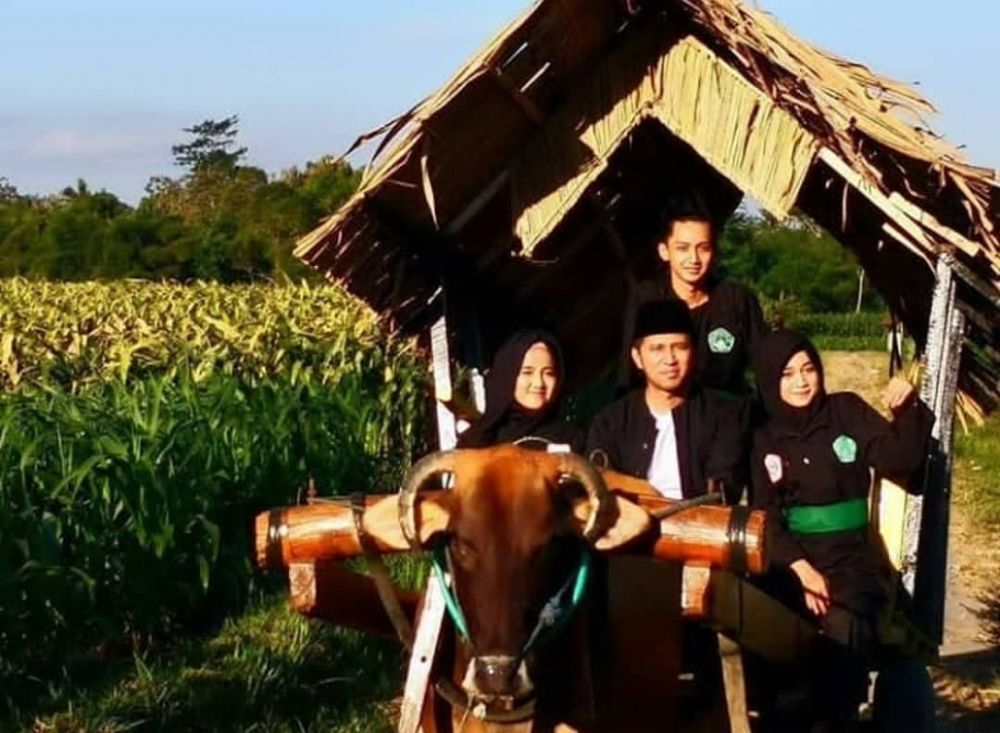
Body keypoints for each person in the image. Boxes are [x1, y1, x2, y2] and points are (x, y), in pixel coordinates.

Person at [750, 329, 934, 730]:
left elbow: (899, 457)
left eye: (808, 369)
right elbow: (767, 516)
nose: (801, 381)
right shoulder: (763, 437)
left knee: (843, 621)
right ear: (768, 379)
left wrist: (907, 409)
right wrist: (800, 568)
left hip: (853, 563)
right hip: (795, 564)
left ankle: (838, 717)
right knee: (767, 628)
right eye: (786, 374)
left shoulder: (845, 411)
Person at [591, 299, 748, 503]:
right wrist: (644, 492)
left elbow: (724, 488)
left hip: (700, 526)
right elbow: (598, 478)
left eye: (680, 347)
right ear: (637, 357)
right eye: (657, 349)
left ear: (693, 353)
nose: (670, 359)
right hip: (629, 522)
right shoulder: (611, 422)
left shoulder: (723, 416)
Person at [624, 200, 765, 396]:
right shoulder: (648, 299)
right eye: (683, 248)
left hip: (727, 417)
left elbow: (766, 368)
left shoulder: (737, 300)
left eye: (703, 248)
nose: (694, 259)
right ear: (664, 251)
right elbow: (629, 374)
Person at [458, 329, 583, 452]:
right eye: (527, 372)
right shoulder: (475, 443)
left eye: (549, 373)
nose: (539, 383)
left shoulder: (573, 440)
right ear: (507, 377)